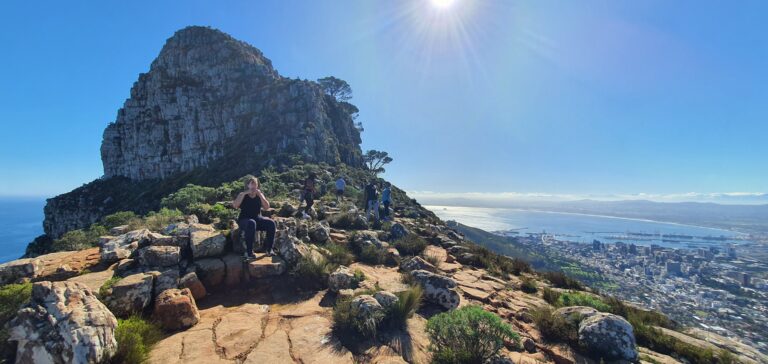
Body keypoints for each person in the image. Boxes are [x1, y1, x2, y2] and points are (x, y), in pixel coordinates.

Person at [233, 176, 276, 259]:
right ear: (248, 185)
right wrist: (245, 193)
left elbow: (267, 207)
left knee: (271, 223)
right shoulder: (242, 194)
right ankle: (249, 252)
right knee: (252, 223)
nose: (253, 186)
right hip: (244, 220)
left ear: (257, 186)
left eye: (255, 184)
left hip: (257, 218)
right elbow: (235, 205)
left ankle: (269, 250)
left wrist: (260, 195)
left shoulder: (259, 195)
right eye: (251, 184)